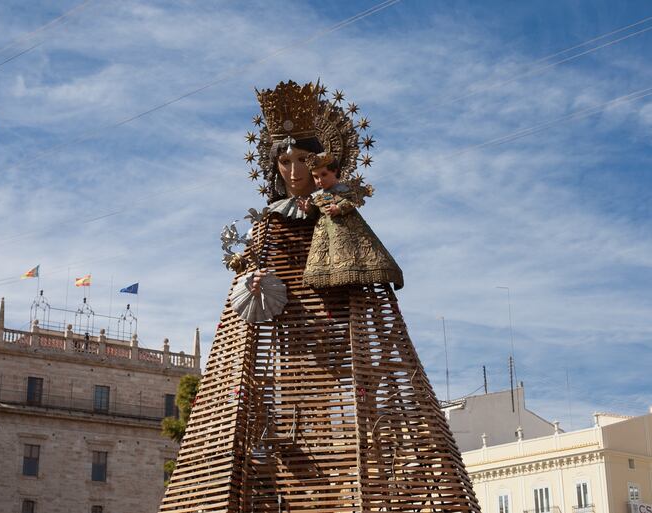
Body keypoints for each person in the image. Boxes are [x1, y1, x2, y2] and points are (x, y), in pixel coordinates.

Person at [160, 80, 481, 513]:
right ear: (273, 166)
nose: (293, 171)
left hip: (338, 329)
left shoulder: (335, 214)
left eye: (303, 161)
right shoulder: (268, 221)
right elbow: (251, 265)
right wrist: (250, 276)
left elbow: (361, 262)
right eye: (284, 161)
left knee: (345, 426)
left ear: (321, 164)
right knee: (283, 422)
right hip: (283, 341)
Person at [300, 151, 403, 290]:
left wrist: (339, 208)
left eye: (323, 174)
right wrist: (308, 209)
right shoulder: (317, 196)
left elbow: (354, 200)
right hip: (324, 235)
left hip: (348, 232)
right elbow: (315, 213)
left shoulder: (344, 189)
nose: (319, 180)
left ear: (334, 171)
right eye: (315, 177)